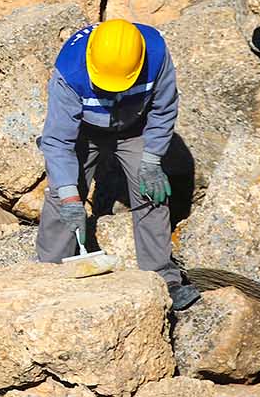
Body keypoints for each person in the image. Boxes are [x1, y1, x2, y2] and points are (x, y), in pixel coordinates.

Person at [36, 19, 201, 312]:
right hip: (84, 130)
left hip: (134, 126)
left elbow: (163, 110)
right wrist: (71, 196)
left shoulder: (155, 53)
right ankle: (47, 275)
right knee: (62, 197)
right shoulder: (71, 69)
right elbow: (58, 141)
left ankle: (164, 278)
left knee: (152, 189)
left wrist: (151, 160)